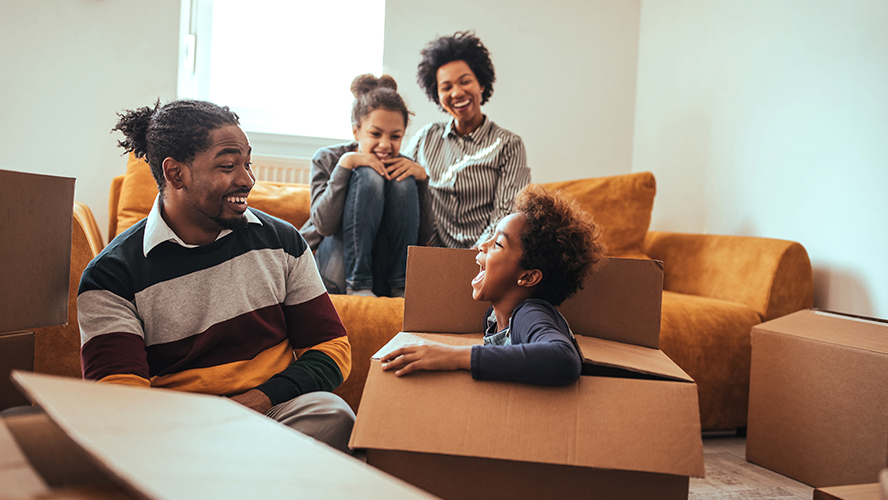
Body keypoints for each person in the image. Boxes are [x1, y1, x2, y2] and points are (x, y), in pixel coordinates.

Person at [78, 99, 355, 453]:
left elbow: (331, 348)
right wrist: (204, 426)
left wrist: (256, 401)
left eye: (247, 163)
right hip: (174, 432)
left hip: (271, 414)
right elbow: (121, 401)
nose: (247, 179)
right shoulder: (111, 276)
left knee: (332, 416)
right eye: (228, 166)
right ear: (175, 173)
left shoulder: (283, 241)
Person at [380, 184, 607, 385]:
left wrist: (455, 356)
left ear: (528, 277)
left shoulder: (530, 314)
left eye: (498, 243)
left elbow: (564, 359)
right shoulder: (493, 318)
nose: (482, 245)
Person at [300, 74, 429, 297]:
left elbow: (424, 236)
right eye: (375, 134)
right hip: (337, 272)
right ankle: (357, 284)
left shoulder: (406, 167)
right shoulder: (328, 158)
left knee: (402, 181)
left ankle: (402, 286)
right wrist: (345, 165)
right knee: (368, 176)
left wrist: (423, 181)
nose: (385, 145)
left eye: (395, 136)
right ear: (356, 131)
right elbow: (323, 226)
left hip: (384, 277)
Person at [404, 31, 532, 249]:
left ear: (481, 84)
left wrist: (471, 259)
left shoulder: (509, 145)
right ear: (437, 95)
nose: (457, 93)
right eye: (446, 87)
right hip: (430, 257)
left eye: (465, 81)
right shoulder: (425, 138)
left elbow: (506, 215)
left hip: (485, 259)